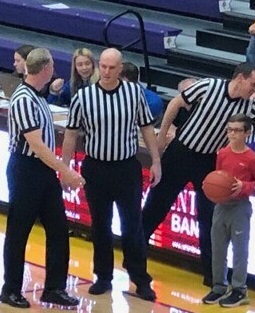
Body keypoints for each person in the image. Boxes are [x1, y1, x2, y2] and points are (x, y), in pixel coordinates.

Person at [142, 62, 255, 287]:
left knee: (209, 219)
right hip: (180, 152)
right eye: (253, 84)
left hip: (208, 162)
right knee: (155, 208)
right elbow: (175, 104)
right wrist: (161, 137)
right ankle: (135, 260)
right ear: (240, 78)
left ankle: (213, 276)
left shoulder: (250, 106)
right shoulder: (208, 86)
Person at [62, 48, 161, 301]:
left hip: (127, 167)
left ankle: (140, 278)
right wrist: (65, 168)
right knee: (100, 225)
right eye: (103, 66)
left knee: (132, 227)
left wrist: (156, 161)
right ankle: (103, 276)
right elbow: (71, 134)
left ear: (120, 69)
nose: (106, 72)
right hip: (96, 168)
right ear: (99, 66)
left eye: (111, 67)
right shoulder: (84, 97)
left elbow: (147, 128)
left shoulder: (134, 93)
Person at [1, 48, 84, 309]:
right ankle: (10, 289)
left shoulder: (37, 96)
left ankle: (54, 288)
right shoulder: (24, 98)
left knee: (58, 230)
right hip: (26, 169)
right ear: (46, 69)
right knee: (18, 231)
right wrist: (67, 170)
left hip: (42, 171)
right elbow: (36, 146)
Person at [202, 113, 255, 307]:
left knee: (240, 250)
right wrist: (213, 190)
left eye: (237, 130)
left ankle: (239, 289)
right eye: (229, 130)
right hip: (221, 206)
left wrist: (243, 186)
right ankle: (219, 286)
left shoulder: (253, 158)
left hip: (240, 207)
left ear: (247, 132)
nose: (232, 134)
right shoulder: (222, 153)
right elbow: (217, 176)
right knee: (217, 248)